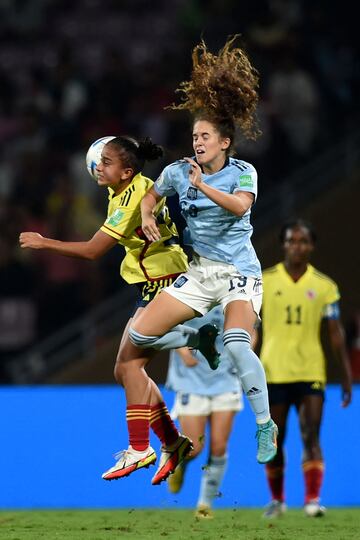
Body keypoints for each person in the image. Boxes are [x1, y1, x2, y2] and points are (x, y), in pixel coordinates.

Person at [128, 36, 278, 465]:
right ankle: (199, 336)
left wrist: (200, 186)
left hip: (238, 273)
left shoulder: (242, 173)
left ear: (225, 142)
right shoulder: (178, 172)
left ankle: (265, 424)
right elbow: (150, 196)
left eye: (206, 136)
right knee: (141, 334)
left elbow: (240, 207)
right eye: (195, 135)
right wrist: (148, 215)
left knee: (237, 344)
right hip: (199, 273)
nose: (197, 142)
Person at [19, 135, 194, 485]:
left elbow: (93, 251)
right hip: (154, 281)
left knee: (130, 365)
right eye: (99, 161)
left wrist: (44, 242)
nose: (99, 166)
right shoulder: (127, 188)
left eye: (107, 162)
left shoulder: (130, 199)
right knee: (125, 370)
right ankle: (173, 442)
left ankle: (140, 447)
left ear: (126, 171)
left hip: (168, 280)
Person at [256, 219, 352, 518]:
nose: (297, 246)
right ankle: (277, 501)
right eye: (291, 241)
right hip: (273, 370)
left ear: (311, 246)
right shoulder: (265, 280)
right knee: (276, 439)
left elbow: (335, 334)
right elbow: (253, 326)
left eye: (302, 241)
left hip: (311, 370)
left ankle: (312, 499)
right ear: (283, 244)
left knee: (311, 434)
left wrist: (347, 375)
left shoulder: (325, 286)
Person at [166, 305, 243, 518]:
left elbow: (251, 327)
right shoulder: (188, 288)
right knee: (195, 447)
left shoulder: (236, 290)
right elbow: (167, 323)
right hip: (189, 379)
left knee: (219, 447)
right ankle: (179, 463)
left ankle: (204, 503)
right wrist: (182, 352)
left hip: (226, 377)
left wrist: (245, 353)